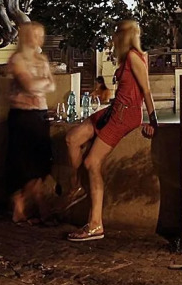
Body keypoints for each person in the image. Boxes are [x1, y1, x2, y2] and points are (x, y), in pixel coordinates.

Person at [62, 19, 157, 241]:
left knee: (91, 162)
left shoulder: (134, 57)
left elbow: (146, 90)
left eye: (116, 34)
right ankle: (77, 186)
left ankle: (95, 224)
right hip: (114, 110)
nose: (113, 38)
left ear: (123, 36)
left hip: (124, 116)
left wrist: (154, 122)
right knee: (72, 138)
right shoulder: (126, 58)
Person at [5, 22, 56, 222]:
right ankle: (36, 206)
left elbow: (51, 85)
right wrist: (42, 83)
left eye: (41, 35)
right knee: (24, 163)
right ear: (26, 36)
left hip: (40, 114)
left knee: (41, 162)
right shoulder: (17, 59)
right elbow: (29, 85)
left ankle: (22, 203)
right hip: (22, 115)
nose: (40, 39)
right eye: (36, 35)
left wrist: (39, 84)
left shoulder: (42, 59)